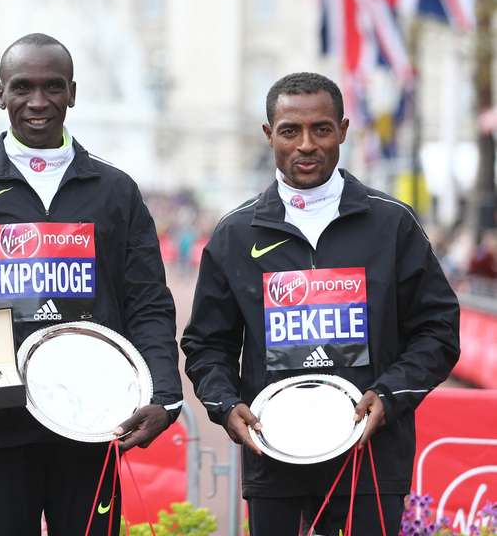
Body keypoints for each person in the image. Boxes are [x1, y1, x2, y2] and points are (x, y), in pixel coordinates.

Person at [0, 33, 182, 535]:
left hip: (94, 423)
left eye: (52, 87)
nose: (38, 103)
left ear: (73, 93)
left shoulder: (115, 191)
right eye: (22, 87)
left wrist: (165, 395)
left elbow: (149, 304)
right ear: (0, 93)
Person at [180, 72, 460, 536]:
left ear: (344, 131)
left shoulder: (392, 223)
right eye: (290, 130)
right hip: (274, 459)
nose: (306, 145)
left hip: (371, 458)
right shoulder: (236, 233)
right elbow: (207, 344)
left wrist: (389, 397)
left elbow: (438, 330)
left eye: (321, 129)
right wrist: (227, 405)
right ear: (270, 135)